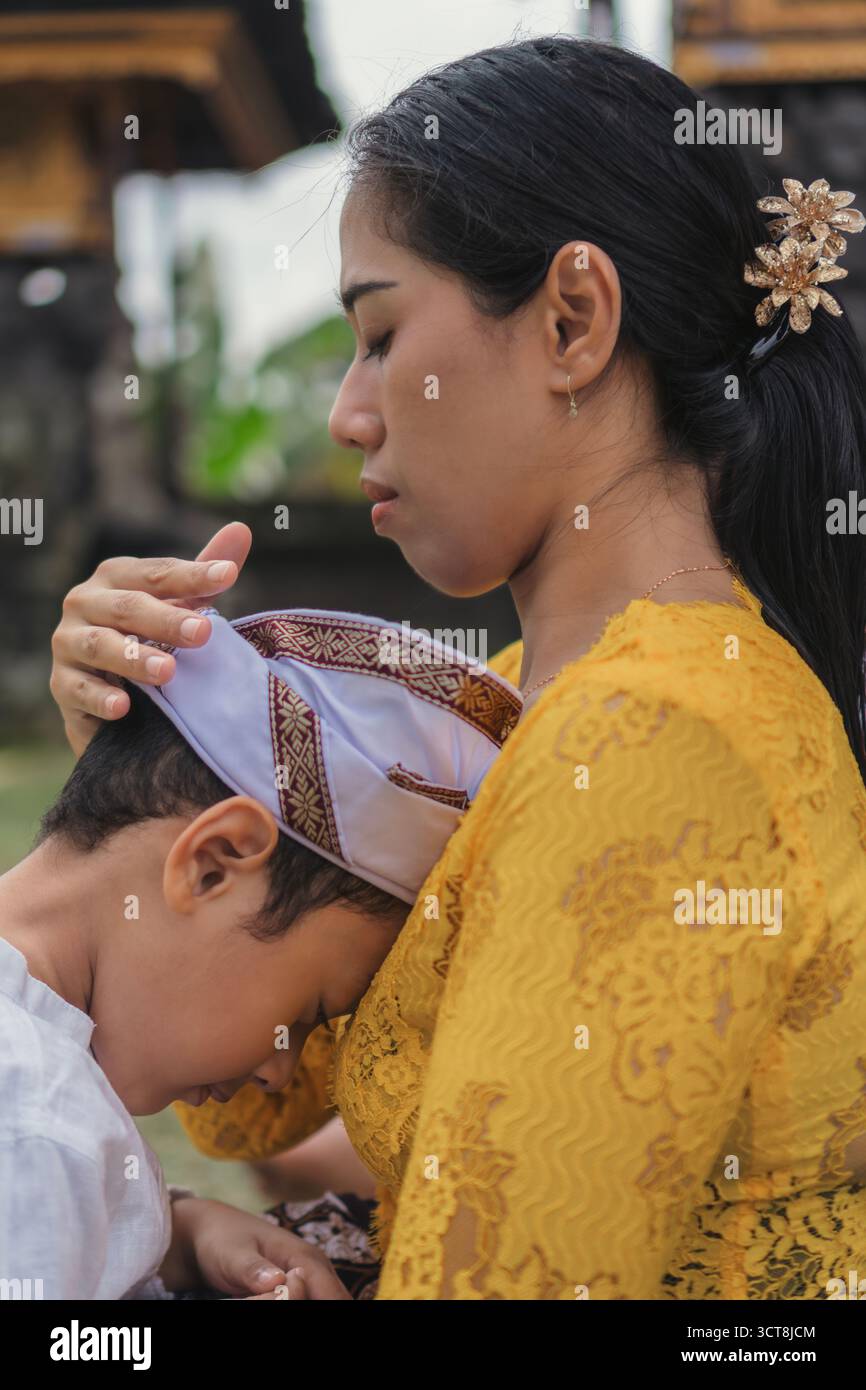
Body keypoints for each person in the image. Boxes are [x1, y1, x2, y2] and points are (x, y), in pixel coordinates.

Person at [49, 35, 866, 1300]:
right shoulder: (491, 705)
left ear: (570, 321)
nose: (346, 412)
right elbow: (253, 1083)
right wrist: (147, 765)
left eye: (379, 334)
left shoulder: (648, 742)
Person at [2, 601, 517, 1299]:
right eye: (309, 1012)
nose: (279, 1071)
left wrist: (172, 1235)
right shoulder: (41, 1127)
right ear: (215, 863)